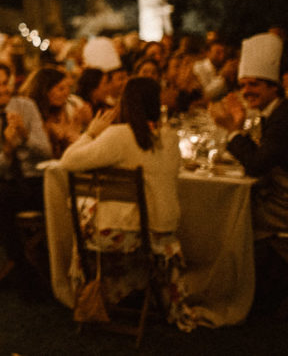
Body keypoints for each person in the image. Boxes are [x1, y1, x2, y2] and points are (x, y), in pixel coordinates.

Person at [60, 77, 194, 329]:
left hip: (116, 236)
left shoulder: (118, 136)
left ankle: (95, 293)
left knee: (84, 213)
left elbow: (68, 161)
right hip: (160, 236)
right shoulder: (169, 138)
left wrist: (90, 133)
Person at [210, 32, 288, 312]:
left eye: (253, 85)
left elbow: (256, 163)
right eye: (243, 86)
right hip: (278, 194)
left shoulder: (282, 118)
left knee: (230, 215)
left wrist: (232, 131)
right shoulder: (274, 113)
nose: (246, 92)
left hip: (283, 205)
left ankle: (234, 288)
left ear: (273, 87)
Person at [0, 59, 52, 266]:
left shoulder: (27, 106)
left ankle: (53, 260)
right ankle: (21, 263)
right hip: (10, 183)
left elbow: (47, 153)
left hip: (37, 178)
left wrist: (25, 137)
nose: (2, 89)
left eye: (5, 83)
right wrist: (7, 148)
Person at [19, 67, 83, 158]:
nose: (66, 93)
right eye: (61, 89)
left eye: (68, 88)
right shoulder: (28, 113)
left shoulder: (59, 110)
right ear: (44, 90)